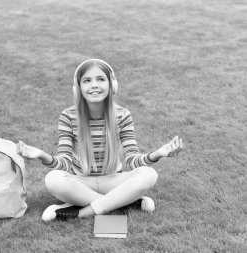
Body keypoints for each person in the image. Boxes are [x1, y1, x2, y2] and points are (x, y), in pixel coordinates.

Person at [17, 59, 183, 222]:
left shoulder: (122, 115)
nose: (94, 85)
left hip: (113, 181)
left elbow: (133, 160)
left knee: (148, 174)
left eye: (101, 79)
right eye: (87, 80)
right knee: (53, 179)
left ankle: (79, 212)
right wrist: (41, 155)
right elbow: (64, 164)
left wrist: (158, 154)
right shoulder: (68, 116)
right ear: (78, 88)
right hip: (81, 182)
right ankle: (126, 202)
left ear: (112, 85)